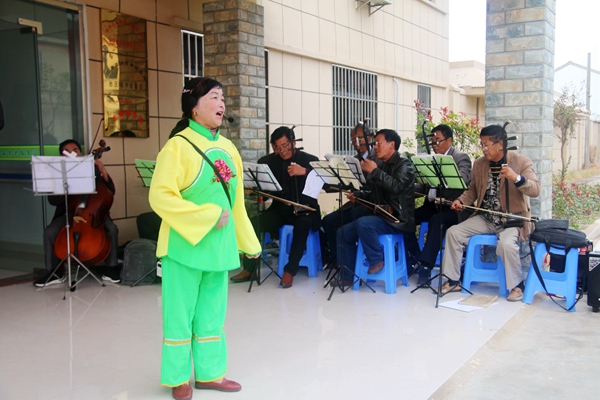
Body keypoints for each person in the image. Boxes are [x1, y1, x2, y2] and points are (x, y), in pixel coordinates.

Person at [149, 77, 261, 400]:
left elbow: (235, 203)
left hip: (219, 248)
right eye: (214, 97)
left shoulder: (229, 148)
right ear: (193, 108)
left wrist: (248, 242)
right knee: (179, 315)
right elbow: (160, 197)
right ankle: (178, 378)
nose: (221, 103)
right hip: (183, 247)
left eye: (222, 97)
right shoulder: (176, 147)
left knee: (212, 314)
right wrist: (207, 216)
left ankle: (211, 373)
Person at [439, 124, 540, 301]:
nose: (483, 149)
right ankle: (453, 280)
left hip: (511, 220)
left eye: (486, 145)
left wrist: (515, 177)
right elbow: (473, 189)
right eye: (482, 145)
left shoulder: (521, 161)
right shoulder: (480, 164)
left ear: (500, 144)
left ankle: (517, 286)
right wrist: (461, 201)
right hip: (486, 218)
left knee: (506, 244)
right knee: (453, 233)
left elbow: (535, 189)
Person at [229, 126, 321, 289]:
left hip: (306, 211)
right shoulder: (270, 162)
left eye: (285, 145)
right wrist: (255, 189)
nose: (282, 151)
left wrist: (305, 172)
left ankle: (290, 271)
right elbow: (267, 193)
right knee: (254, 223)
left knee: (302, 225)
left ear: (294, 142)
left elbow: (326, 183)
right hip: (281, 210)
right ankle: (250, 269)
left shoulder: (309, 160)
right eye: (277, 147)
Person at [34, 139, 120, 287]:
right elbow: (52, 201)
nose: (72, 153)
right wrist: (65, 187)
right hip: (69, 213)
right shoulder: (58, 173)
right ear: (62, 156)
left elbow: (110, 191)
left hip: (92, 213)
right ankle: (54, 272)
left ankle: (111, 268)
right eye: (67, 152)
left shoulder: (92, 168)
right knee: (50, 232)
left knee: (112, 229)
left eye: (75, 150)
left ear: (80, 153)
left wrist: (103, 170)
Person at [335, 129, 415, 284]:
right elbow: (374, 193)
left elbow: (396, 186)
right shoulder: (382, 165)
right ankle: (347, 276)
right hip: (383, 216)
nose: (375, 147)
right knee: (343, 232)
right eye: (375, 143)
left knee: (363, 222)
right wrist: (359, 195)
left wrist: (375, 171)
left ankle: (377, 260)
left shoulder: (404, 164)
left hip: (398, 219)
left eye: (378, 143)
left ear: (392, 144)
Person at [407, 124, 472, 284]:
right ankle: (414, 255)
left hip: (452, 208)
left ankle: (425, 266)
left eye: (438, 141)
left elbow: (464, 180)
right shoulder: (431, 159)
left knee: (437, 220)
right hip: (431, 205)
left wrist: (441, 174)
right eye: (432, 141)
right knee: (406, 217)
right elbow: (423, 186)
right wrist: (405, 189)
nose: (434, 145)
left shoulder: (460, 157)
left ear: (449, 140)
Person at [321, 122, 382, 267]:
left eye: (359, 139)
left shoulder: (378, 158)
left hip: (372, 205)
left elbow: (378, 185)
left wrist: (361, 192)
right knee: (328, 221)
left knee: (356, 216)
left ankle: (358, 260)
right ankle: (338, 261)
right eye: (353, 140)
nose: (356, 143)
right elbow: (350, 183)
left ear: (369, 138)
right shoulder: (353, 160)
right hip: (356, 203)